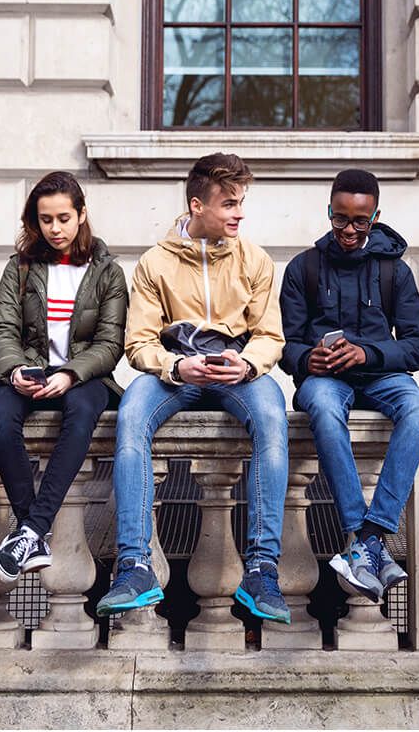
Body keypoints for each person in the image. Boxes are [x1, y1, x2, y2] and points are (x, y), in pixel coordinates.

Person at [94, 153, 291, 624]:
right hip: (174, 375)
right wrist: (177, 366)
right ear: (198, 204)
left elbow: (270, 336)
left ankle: (262, 569)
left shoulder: (255, 260)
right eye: (229, 203)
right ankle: (134, 565)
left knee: (271, 418)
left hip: (236, 373)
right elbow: (138, 343)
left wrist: (244, 363)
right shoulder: (154, 263)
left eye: (241, 202)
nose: (239, 213)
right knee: (131, 416)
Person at [278, 169, 419, 603]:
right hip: (325, 380)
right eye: (340, 219)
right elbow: (283, 344)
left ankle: (370, 535)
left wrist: (369, 354)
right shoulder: (303, 268)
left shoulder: (394, 272)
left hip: (383, 376)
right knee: (324, 410)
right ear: (329, 212)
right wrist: (306, 358)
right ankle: (359, 534)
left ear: (375, 217)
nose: (348, 230)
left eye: (359, 221)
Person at [0, 171, 127, 583]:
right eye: (46, 220)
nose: (55, 228)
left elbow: (110, 343)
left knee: (82, 413)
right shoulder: (21, 268)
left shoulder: (107, 273)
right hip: (28, 371)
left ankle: (30, 529)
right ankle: (33, 530)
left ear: (81, 215)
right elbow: (2, 329)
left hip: (84, 378)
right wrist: (13, 372)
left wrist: (69, 373)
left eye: (63, 218)